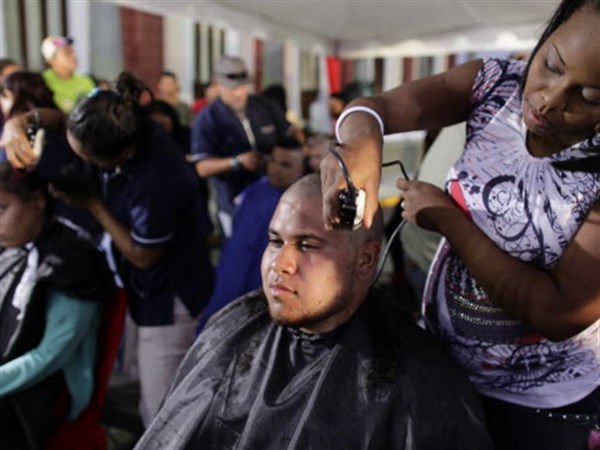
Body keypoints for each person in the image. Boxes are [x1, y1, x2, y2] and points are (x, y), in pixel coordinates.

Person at [320, 1, 600, 449]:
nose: (550, 100)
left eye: (589, 97)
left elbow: (560, 312)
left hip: (538, 406)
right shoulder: (494, 84)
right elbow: (377, 108)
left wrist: (451, 221)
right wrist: (359, 142)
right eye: (551, 65)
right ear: (549, 32)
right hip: (445, 367)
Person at [134, 173, 492, 450]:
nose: (281, 264)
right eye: (275, 241)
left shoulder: (417, 382)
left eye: (307, 245)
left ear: (366, 260)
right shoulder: (232, 328)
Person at [1, 72, 216, 426]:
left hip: (168, 292)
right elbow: (61, 120)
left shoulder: (157, 179)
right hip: (136, 286)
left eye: (91, 161)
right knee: (136, 371)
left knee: (161, 409)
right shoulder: (111, 114)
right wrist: (21, 122)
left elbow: (145, 256)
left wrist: (92, 204)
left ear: (123, 155)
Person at [0, 162, 115, 450]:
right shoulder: (19, 247)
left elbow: (50, 356)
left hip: (41, 394)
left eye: (2, 210)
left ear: (38, 201)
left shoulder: (71, 261)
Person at [195, 137, 305, 334]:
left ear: (300, 169)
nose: (276, 168)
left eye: (285, 164)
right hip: (226, 291)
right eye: (272, 160)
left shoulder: (302, 207)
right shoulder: (252, 192)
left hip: (262, 301)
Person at [190, 55, 292, 238]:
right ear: (217, 85)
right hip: (234, 202)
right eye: (231, 88)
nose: (238, 93)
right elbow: (202, 167)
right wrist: (236, 162)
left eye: (242, 86)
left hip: (276, 197)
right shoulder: (207, 120)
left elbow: (291, 135)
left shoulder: (265, 106)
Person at [40, 35, 95, 113]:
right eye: (67, 53)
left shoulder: (85, 80)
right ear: (51, 60)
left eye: (73, 51)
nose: (73, 56)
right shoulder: (43, 82)